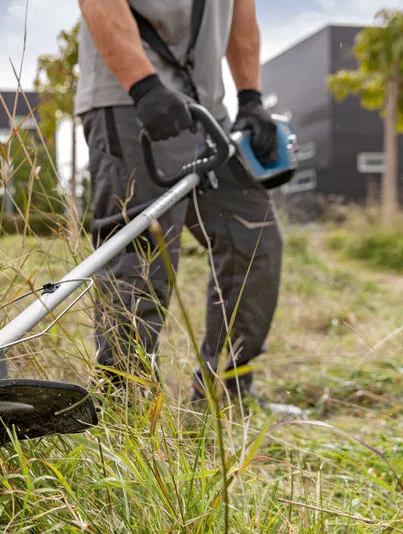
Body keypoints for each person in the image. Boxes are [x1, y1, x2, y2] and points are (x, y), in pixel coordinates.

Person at [76, 0, 283, 406]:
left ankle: (226, 390)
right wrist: (143, 86)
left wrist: (251, 98)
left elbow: (240, 14)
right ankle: (128, 404)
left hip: (208, 110)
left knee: (253, 241)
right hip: (129, 99)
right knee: (139, 254)